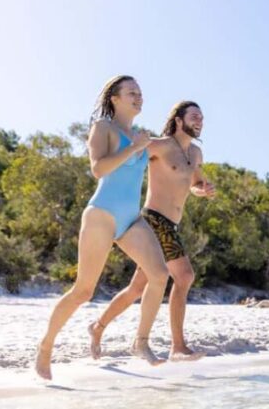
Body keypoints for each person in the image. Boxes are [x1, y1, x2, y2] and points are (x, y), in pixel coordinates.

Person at [35, 76, 169, 380]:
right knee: (83, 291)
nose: (139, 97)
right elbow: (98, 169)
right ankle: (45, 346)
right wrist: (134, 148)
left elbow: (174, 152)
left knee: (159, 275)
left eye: (141, 93)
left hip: (131, 219)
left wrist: (198, 182)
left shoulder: (140, 135)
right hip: (102, 215)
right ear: (115, 99)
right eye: (132, 92)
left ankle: (141, 343)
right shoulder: (103, 128)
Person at [89, 101, 215, 362]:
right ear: (179, 121)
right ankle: (178, 347)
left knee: (137, 288)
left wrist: (202, 189)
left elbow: (194, 183)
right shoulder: (160, 145)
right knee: (184, 276)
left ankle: (97, 327)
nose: (199, 121)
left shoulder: (196, 154)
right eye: (194, 116)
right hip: (153, 220)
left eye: (201, 117)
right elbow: (128, 158)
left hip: (172, 225)